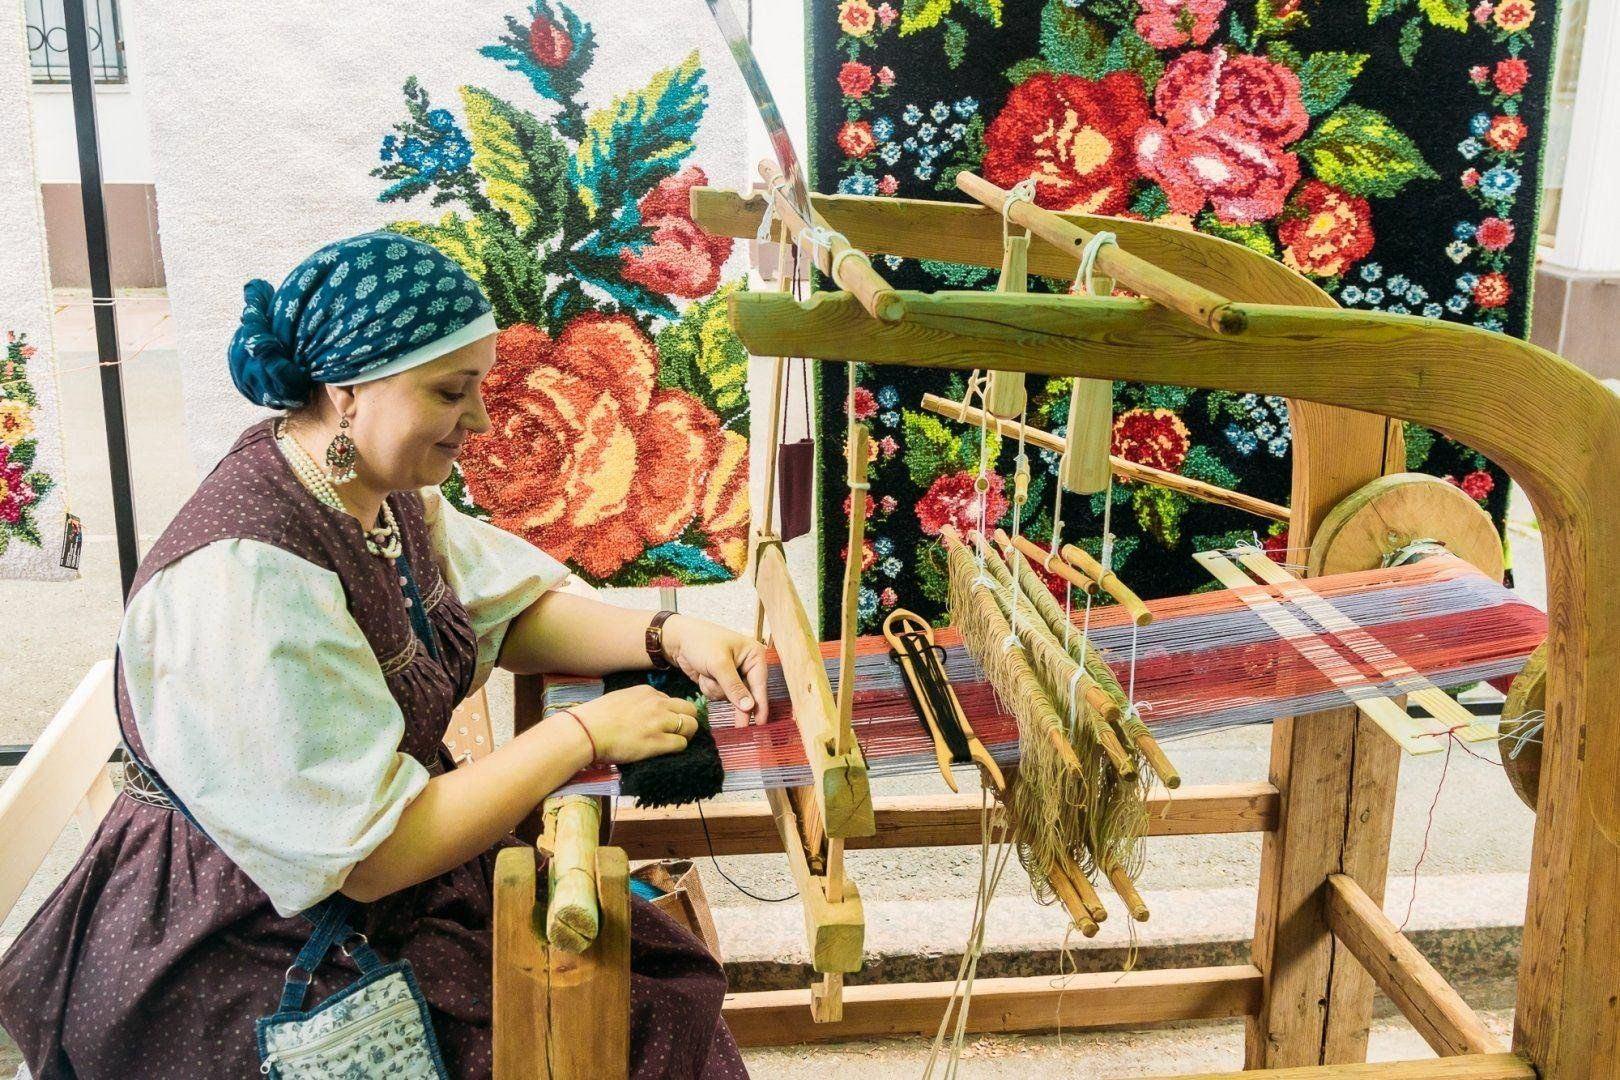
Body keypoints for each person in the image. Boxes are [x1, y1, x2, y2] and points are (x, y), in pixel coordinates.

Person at [0, 232, 760, 1078]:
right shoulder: (248, 579)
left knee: (649, 977)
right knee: (622, 1019)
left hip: (356, 869)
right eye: (450, 392)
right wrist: (582, 735)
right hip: (242, 932)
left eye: (479, 388)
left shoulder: (371, 493)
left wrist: (668, 635)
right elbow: (370, 858)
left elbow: (504, 614)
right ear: (348, 390)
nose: (478, 419)